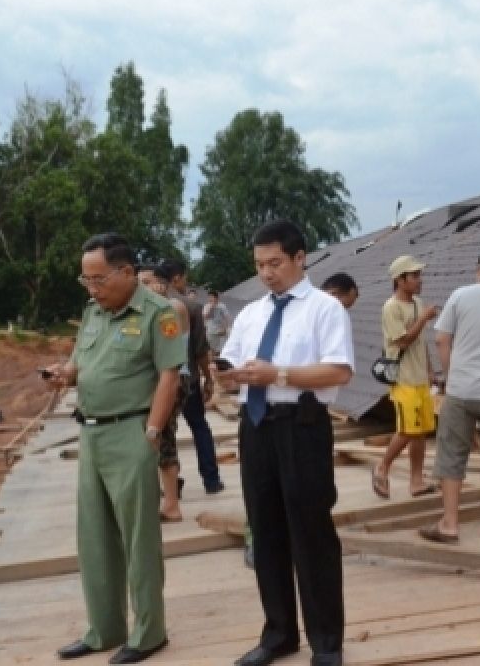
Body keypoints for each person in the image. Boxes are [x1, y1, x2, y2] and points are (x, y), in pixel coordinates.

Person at [212, 220, 353, 666]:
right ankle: (278, 634)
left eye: (275, 263)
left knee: (311, 533)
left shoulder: (324, 309)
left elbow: (338, 371)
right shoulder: (252, 314)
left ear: (299, 258)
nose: (267, 273)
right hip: (256, 427)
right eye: (259, 265)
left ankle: (326, 642)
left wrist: (279, 374)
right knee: (266, 529)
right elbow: (232, 365)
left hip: (302, 425)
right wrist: (226, 375)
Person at [43, 233, 185, 664]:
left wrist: (153, 433)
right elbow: (79, 363)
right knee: (95, 537)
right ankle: (103, 629)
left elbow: (168, 377)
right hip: (91, 433)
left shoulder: (159, 314)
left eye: (99, 279)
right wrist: (63, 375)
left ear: (126, 272)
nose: (91, 288)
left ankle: (148, 632)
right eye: (85, 280)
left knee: (139, 538)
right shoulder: (92, 312)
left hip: (132, 432)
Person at [421, 246, 480, 544]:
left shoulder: (460, 295)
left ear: (479, 269)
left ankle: (449, 523)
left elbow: (440, 339)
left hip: (460, 391)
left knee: (451, 455)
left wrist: (452, 376)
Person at [372, 255, 439, 500]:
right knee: (408, 430)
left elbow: (420, 343)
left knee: (420, 431)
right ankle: (382, 467)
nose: (419, 280)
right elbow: (403, 340)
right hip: (403, 379)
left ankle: (417, 481)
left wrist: (430, 370)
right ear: (400, 280)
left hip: (420, 377)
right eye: (414, 276)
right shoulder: (391, 308)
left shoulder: (418, 303)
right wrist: (423, 319)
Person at [162, 259, 224, 495]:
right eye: (184, 278)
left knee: (166, 432)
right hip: (187, 380)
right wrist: (208, 378)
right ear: (176, 278)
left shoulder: (151, 306)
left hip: (161, 382)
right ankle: (211, 480)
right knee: (199, 426)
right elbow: (200, 350)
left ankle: (171, 485)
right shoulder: (192, 306)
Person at [136, 262, 190, 523]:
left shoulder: (172, 308)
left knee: (164, 438)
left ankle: (171, 504)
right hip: (156, 380)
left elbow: (171, 355)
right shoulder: (149, 309)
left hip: (173, 380)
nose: (143, 288)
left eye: (148, 282)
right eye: (139, 283)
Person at [203, 289, 232, 354]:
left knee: (230, 333)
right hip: (211, 331)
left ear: (216, 298)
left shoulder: (221, 306)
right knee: (211, 349)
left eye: (211, 297)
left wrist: (225, 328)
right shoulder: (206, 306)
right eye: (209, 297)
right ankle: (214, 356)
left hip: (221, 329)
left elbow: (227, 317)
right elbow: (205, 317)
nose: (210, 299)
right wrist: (211, 308)